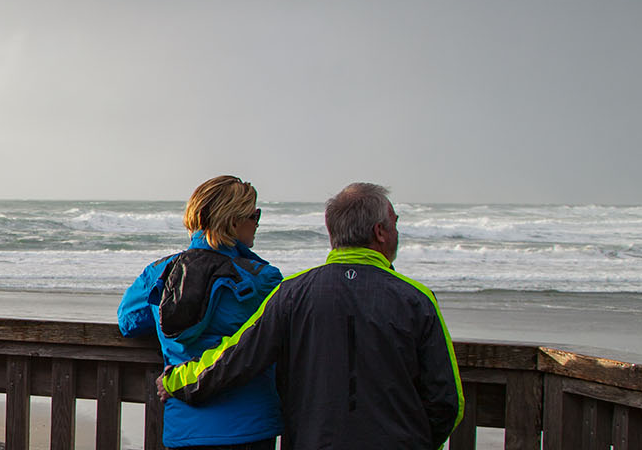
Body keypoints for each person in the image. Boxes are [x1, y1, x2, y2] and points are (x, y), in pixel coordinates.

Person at [161, 183, 464, 449]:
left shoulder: (292, 293)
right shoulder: (416, 298)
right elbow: (447, 400)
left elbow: (237, 357)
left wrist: (176, 380)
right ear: (380, 232)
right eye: (395, 223)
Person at [117, 176, 283, 449]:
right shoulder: (263, 279)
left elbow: (129, 323)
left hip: (185, 426)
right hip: (250, 425)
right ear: (233, 221)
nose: (257, 223)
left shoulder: (160, 273)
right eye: (254, 215)